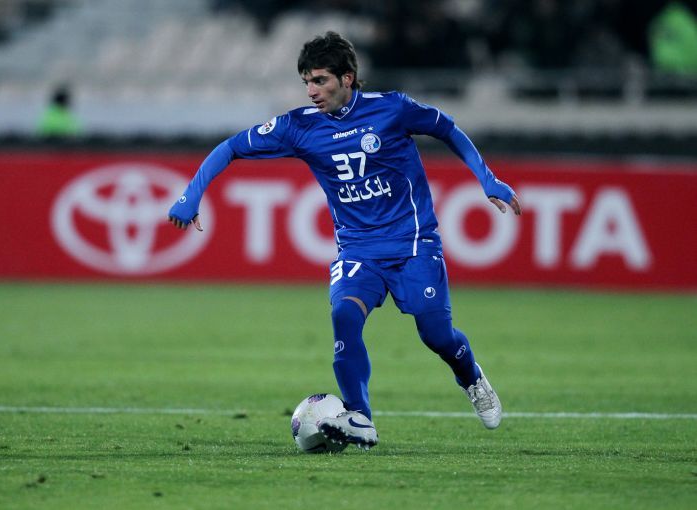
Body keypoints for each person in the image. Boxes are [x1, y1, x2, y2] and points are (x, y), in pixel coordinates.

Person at [168, 31, 521, 450]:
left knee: (437, 335)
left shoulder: (392, 109)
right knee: (345, 316)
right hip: (357, 250)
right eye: (306, 82)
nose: (311, 90)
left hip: (413, 243)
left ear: (347, 78)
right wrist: (191, 195)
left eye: (320, 80)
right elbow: (230, 147)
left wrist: (487, 179)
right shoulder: (299, 127)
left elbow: (448, 130)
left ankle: (472, 377)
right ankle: (360, 417)